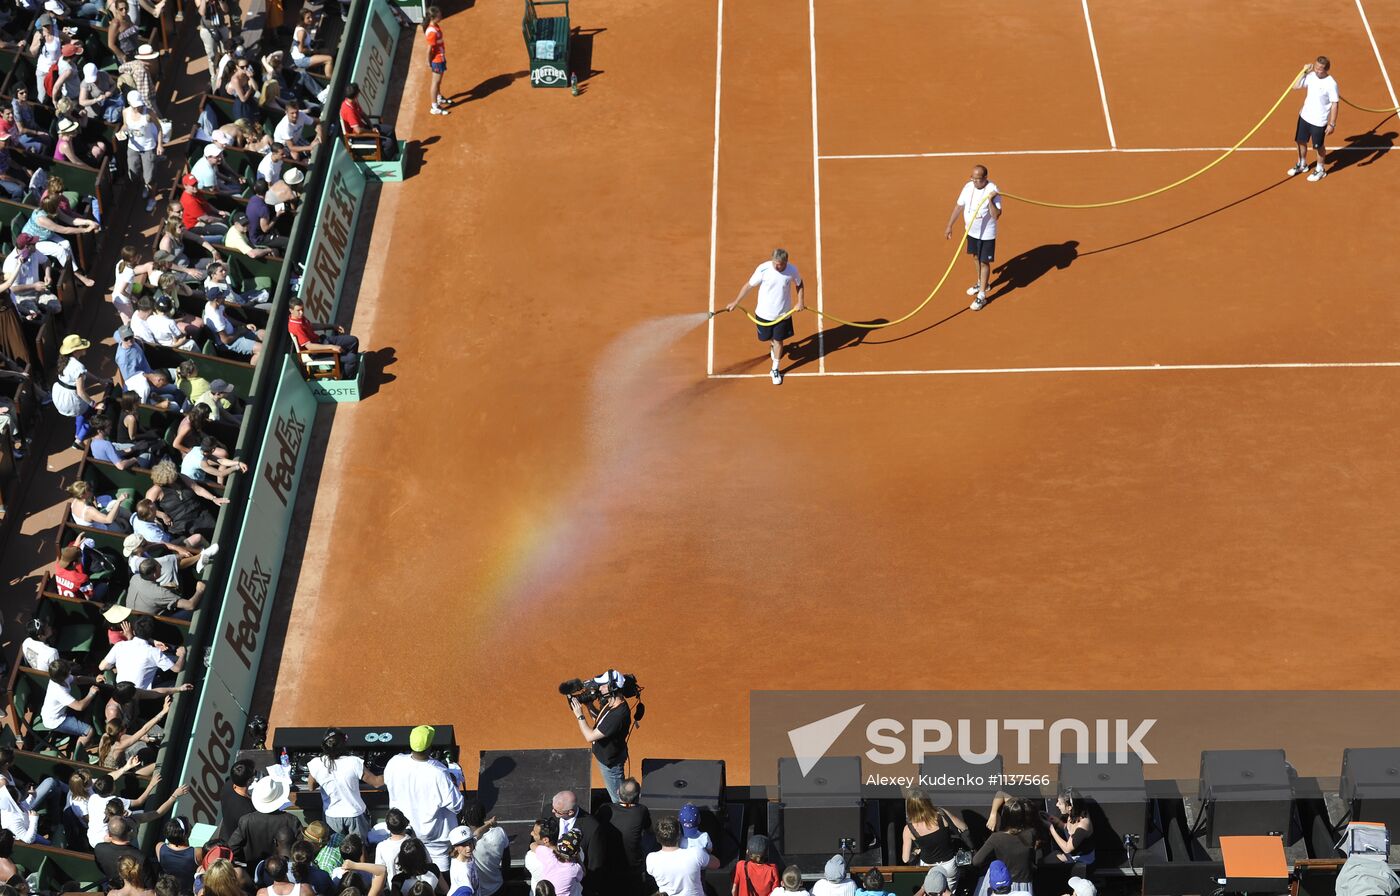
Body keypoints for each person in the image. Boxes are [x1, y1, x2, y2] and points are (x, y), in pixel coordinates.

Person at [382, 725, 463, 872]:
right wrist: (453, 782)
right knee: (439, 876)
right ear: (429, 747)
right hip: (435, 839)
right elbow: (457, 805)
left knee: (411, 873)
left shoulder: (394, 762)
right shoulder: (438, 773)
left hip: (405, 834)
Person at [725, 248, 805, 385]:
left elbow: (799, 284)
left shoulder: (792, 270)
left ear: (786, 262)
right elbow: (748, 286)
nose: (778, 266)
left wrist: (800, 302)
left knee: (779, 341)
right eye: (776, 263)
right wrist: (735, 302)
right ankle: (773, 344)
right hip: (763, 314)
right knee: (767, 338)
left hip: (783, 315)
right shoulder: (763, 269)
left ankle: (775, 368)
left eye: (781, 264)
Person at [307, 727, 384, 839]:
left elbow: (311, 787)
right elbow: (377, 782)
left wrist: (325, 778)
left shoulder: (316, 764)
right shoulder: (354, 762)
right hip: (355, 815)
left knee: (337, 850)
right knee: (360, 848)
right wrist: (392, 770)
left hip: (331, 818)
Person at [944, 165, 1002, 310]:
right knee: (975, 257)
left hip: (986, 234)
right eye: (973, 178)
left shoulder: (993, 191)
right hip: (971, 232)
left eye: (978, 179)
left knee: (984, 262)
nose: (975, 182)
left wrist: (990, 200)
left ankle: (982, 296)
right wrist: (949, 225)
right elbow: (959, 207)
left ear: (985, 178)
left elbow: (996, 215)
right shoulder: (968, 187)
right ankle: (982, 282)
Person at [972, 794, 1038, 896]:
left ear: (1005, 817)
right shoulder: (1031, 833)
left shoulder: (996, 838)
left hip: (1003, 885)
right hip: (1024, 884)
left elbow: (976, 861)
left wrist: (993, 814)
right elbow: (1012, 801)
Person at [99, 615, 187, 689]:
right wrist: (182, 654)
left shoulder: (119, 646)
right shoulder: (153, 652)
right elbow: (177, 669)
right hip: (144, 694)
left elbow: (102, 667)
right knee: (174, 681)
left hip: (122, 691)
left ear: (133, 631)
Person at [230, 777, 304, 864]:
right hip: (284, 872)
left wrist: (245, 863)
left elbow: (232, 848)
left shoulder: (246, 821)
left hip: (254, 870)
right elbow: (301, 849)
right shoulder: (292, 820)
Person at [1288, 56, 1339, 182]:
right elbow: (1295, 86)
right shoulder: (1310, 76)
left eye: (1319, 69)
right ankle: (1302, 164)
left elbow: (1335, 104)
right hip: (1305, 116)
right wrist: (1303, 71)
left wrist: (1332, 124)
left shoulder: (1331, 84)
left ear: (1326, 69)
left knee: (1318, 146)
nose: (1316, 70)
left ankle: (1320, 169)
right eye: (1315, 67)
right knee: (1300, 141)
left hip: (1319, 121)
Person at [594, 778, 649, 896]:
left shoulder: (605, 809)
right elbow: (649, 829)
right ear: (639, 795)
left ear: (618, 792)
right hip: (633, 867)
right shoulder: (641, 811)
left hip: (608, 864)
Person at [903, 796, 970, 889]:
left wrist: (915, 852)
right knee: (949, 892)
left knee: (932, 891)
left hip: (928, 868)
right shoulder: (941, 814)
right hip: (949, 865)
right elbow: (964, 827)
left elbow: (906, 859)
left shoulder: (908, 829)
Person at [288, 298, 361, 377]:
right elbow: (309, 346)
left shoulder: (299, 318)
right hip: (315, 353)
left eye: (302, 309)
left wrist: (332, 326)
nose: (301, 312)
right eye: (298, 310)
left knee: (353, 340)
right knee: (351, 358)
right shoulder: (296, 327)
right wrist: (331, 347)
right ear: (291, 310)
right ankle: (347, 379)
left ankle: (344, 367)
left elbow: (312, 326)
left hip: (322, 341)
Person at [41, 658, 100, 754]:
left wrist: (94, 679)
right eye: (69, 671)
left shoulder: (60, 678)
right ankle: (78, 754)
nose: (70, 671)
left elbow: (77, 679)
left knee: (89, 709)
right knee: (89, 731)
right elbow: (80, 706)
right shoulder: (59, 691)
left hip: (62, 712)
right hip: (56, 720)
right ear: (63, 676)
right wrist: (91, 694)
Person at [645, 816, 715, 896]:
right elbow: (716, 864)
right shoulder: (696, 853)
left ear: (657, 838)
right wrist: (704, 852)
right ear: (679, 835)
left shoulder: (651, 859)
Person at [121, 91, 165, 211]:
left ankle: (152, 198)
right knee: (133, 174)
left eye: (139, 105)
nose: (138, 108)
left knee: (149, 178)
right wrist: (122, 132)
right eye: (135, 106)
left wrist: (159, 145)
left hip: (148, 148)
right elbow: (125, 125)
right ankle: (145, 185)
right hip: (133, 148)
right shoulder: (125, 112)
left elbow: (159, 128)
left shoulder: (148, 114)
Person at [340, 83, 397, 159]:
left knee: (390, 129)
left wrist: (372, 126)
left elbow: (363, 114)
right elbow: (358, 131)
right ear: (356, 94)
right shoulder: (349, 111)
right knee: (388, 143)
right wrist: (372, 132)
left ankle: (395, 154)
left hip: (364, 129)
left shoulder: (353, 102)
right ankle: (387, 160)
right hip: (357, 137)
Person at [460, 803, 506, 896]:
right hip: (498, 887)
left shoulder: (466, 844)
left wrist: (488, 823)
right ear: (484, 815)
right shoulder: (500, 832)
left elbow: (476, 833)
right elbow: (506, 861)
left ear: (465, 820)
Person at [1046, 789, 1094, 867]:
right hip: (1072, 856)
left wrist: (1051, 828)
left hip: (1082, 862)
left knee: (1045, 864)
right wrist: (1057, 822)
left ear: (1069, 807)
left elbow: (1067, 849)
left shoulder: (1082, 825)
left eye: (1060, 803)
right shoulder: (1074, 814)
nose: (1057, 805)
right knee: (1046, 860)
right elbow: (1068, 829)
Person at [424, 7, 449, 115]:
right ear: (433, 17)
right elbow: (429, 50)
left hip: (441, 57)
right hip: (437, 60)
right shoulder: (432, 32)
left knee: (438, 81)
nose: (441, 16)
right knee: (435, 82)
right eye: (439, 15)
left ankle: (439, 98)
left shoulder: (436, 26)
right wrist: (428, 62)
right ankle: (434, 107)